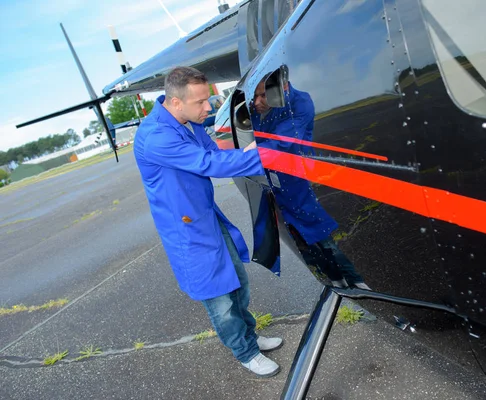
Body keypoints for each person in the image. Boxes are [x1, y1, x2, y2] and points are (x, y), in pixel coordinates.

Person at [133, 66, 282, 378]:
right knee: (220, 301)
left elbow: (213, 152)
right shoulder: (156, 137)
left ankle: (250, 338)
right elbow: (208, 163)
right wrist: (264, 155)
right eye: (201, 102)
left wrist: (249, 150)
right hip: (186, 232)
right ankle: (246, 354)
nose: (209, 108)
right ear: (175, 102)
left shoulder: (189, 121)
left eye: (208, 100)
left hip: (206, 217)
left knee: (238, 285)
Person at [250, 78, 371, 290]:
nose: (257, 101)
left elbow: (282, 141)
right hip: (279, 182)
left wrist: (245, 155)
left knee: (323, 236)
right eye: (254, 96)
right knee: (302, 240)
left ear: (283, 87)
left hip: (300, 181)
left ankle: (361, 284)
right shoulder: (262, 108)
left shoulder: (300, 102)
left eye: (262, 96)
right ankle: (336, 280)